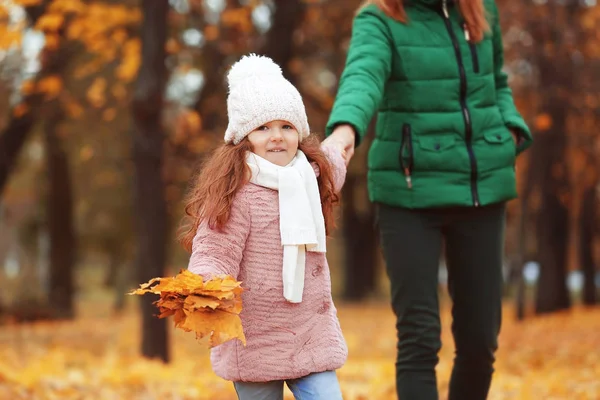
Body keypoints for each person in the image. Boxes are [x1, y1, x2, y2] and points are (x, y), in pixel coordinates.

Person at [322, 0, 533, 399]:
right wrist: (345, 130)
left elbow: (497, 82)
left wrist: (511, 128)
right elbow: (362, 76)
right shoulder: (380, 17)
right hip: (409, 193)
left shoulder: (481, 9)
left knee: (480, 341)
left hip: (481, 189)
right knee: (419, 338)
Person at [180, 54, 348, 400]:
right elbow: (215, 248)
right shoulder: (235, 193)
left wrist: (345, 136)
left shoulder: (313, 176)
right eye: (263, 128)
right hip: (256, 336)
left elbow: (336, 157)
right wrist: (206, 281)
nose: (277, 137)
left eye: (287, 126)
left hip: (310, 333)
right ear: (244, 137)